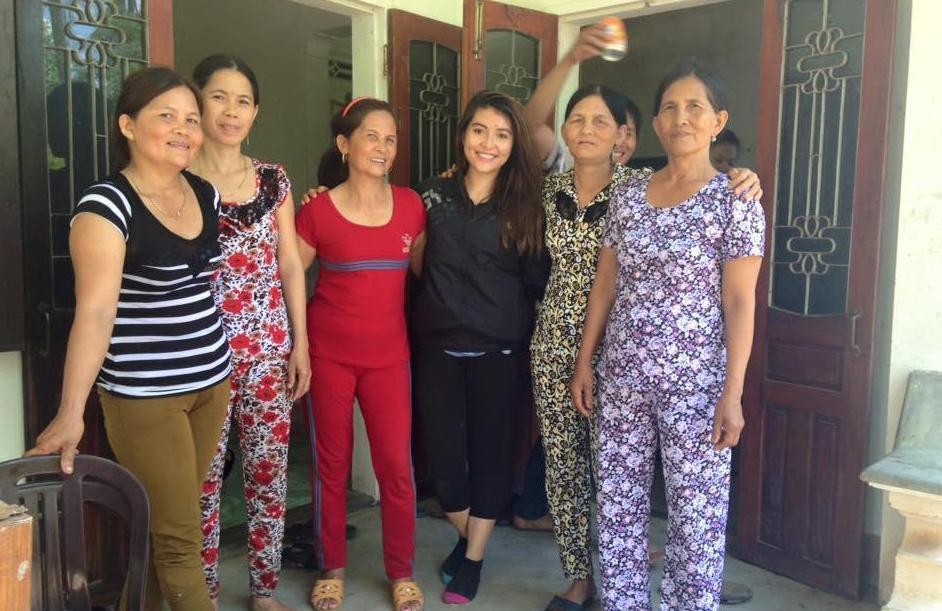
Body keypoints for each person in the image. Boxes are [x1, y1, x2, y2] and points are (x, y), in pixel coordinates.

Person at [522, 22, 763, 611]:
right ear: (655, 123)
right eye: (670, 108)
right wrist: (586, 363)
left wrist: (733, 392)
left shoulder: (736, 200)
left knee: (695, 515)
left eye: (695, 108)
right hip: (622, 376)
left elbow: (739, 302)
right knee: (619, 505)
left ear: (717, 122)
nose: (681, 117)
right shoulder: (630, 195)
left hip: (697, 385)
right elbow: (606, 284)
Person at [26, 67, 231, 611]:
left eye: (191, 118)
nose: (184, 128)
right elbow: (94, 312)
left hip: (212, 383)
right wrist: (72, 411)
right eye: (167, 116)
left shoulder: (204, 193)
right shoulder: (106, 207)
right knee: (180, 540)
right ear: (129, 126)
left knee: (171, 527)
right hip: (145, 396)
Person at [409, 91, 547, 605]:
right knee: (445, 470)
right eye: (479, 130)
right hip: (438, 349)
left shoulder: (526, 207)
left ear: (514, 144)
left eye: (502, 134)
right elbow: (413, 262)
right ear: (463, 135)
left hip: (499, 353)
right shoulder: (432, 196)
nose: (488, 143)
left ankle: (472, 561)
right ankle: (471, 536)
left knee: (490, 460)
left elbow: (537, 281)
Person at [188, 54, 310, 611]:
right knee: (202, 484)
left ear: (255, 112)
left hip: (267, 351)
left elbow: (289, 264)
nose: (230, 111)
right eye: (219, 97)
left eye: (242, 101)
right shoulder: (178, 178)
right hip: (198, 354)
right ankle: (204, 593)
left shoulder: (273, 179)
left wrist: (300, 344)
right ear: (198, 101)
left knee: (267, 475)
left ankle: (265, 590)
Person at [295, 97, 425, 611]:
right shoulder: (317, 211)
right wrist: (296, 345)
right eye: (371, 136)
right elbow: (288, 279)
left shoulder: (413, 206)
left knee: (396, 465)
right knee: (331, 467)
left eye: (390, 138)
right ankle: (332, 567)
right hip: (328, 357)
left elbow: (423, 274)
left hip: (389, 358)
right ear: (345, 145)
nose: (382, 147)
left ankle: (401, 570)